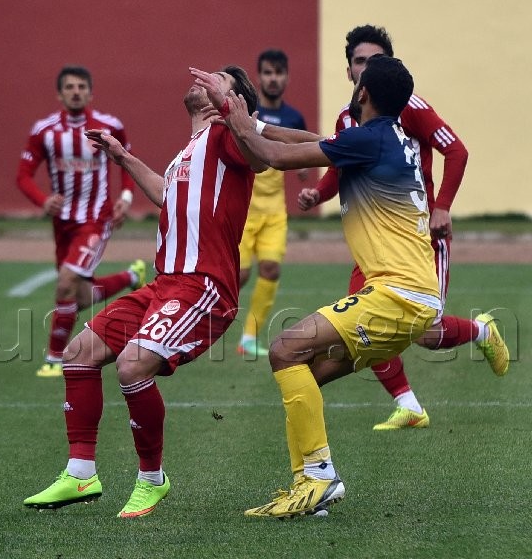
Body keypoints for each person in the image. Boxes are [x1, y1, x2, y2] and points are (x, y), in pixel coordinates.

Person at [205, 55, 507, 519]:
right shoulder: (389, 137)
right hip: (414, 295)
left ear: (362, 93)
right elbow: (312, 142)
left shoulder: (369, 139)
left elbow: (274, 159)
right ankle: (310, 490)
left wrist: (233, 113)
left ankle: (320, 479)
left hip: (397, 295)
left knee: (285, 350)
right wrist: (258, 124)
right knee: (307, 373)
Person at [23, 66, 262, 519]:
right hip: (164, 283)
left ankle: (152, 479)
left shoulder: (231, 137)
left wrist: (236, 112)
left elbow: (262, 153)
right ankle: (80, 472)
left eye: (218, 81)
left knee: (133, 364)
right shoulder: (190, 149)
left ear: (228, 100)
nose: (202, 80)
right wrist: (122, 157)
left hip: (204, 286)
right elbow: (166, 193)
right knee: (78, 352)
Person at [298, 24, 505, 431]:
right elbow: (343, 164)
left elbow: (457, 151)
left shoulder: (409, 106)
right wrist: (318, 195)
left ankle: (482, 330)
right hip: (377, 244)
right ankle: (409, 403)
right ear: (349, 71)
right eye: (359, 61)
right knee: (363, 319)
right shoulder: (348, 119)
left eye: (374, 61)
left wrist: (442, 207)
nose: (365, 68)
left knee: (425, 332)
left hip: (421, 236)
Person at [16, 65, 147, 378]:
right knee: (78, 295)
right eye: (69, 87)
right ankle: (131, 277)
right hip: (62, 223)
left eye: (81, 87)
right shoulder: (44, 131)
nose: (76, 92)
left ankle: (53, 358)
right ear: (59, 94)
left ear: (90, 92)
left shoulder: (108, 126)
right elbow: (22, 176)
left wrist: (125, 200)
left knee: (65, 283)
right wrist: (42, 200)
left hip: (95, 220)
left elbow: (126, 163)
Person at [237, 49, 308, 358]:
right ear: (258, 76)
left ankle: (249, 337)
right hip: (243, 209)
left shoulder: (294, 118)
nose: (273, 78)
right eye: (267, 72)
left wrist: (305, 166)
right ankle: (202, 325)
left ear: (287, 77)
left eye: (279, 72)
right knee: (237, 276)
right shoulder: (249, 113)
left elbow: (303, 150)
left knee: (270, 269)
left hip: (274, 211)